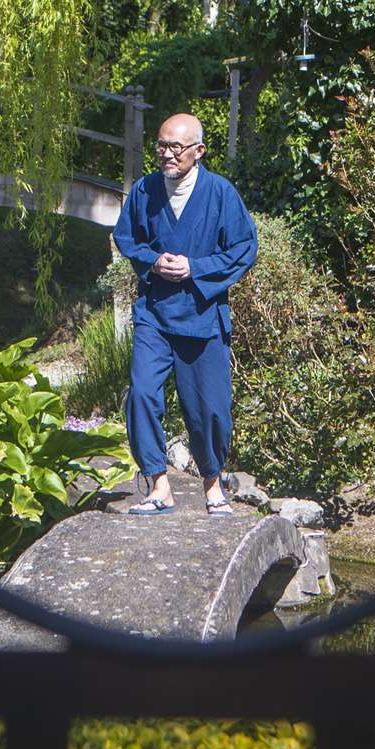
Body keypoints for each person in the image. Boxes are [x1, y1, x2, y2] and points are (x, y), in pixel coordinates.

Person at [112, 112, 257, 515]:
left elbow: (243, 248)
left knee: (208, 408)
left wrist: (196, 268)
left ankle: (213, 485)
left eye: (176, 147)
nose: (167, 155)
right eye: (161, 146)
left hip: (202, 313)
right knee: (141, 393)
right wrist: (154, 261)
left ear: (198, 150)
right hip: (155, 313)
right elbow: (126, 237)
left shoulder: (221, 193)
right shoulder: (144, 191)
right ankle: (158, 484)